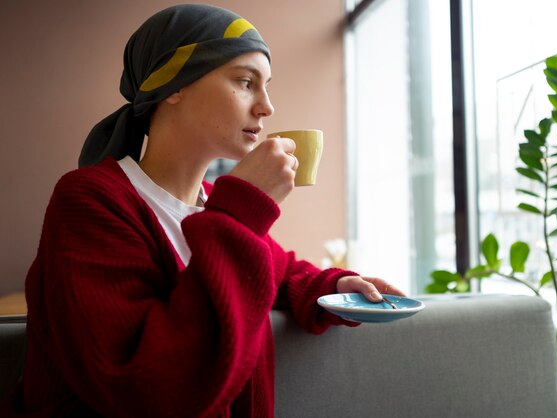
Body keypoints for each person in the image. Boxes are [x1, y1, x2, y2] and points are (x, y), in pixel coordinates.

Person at [2, 4, 404, 417]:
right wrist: (244, 206)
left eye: (267, 87)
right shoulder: (91, 201)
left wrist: (336, 286)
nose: (267, 107)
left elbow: (278, 272)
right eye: (247, 82)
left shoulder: (212, 203)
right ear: (175, 85)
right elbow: (146, 387)